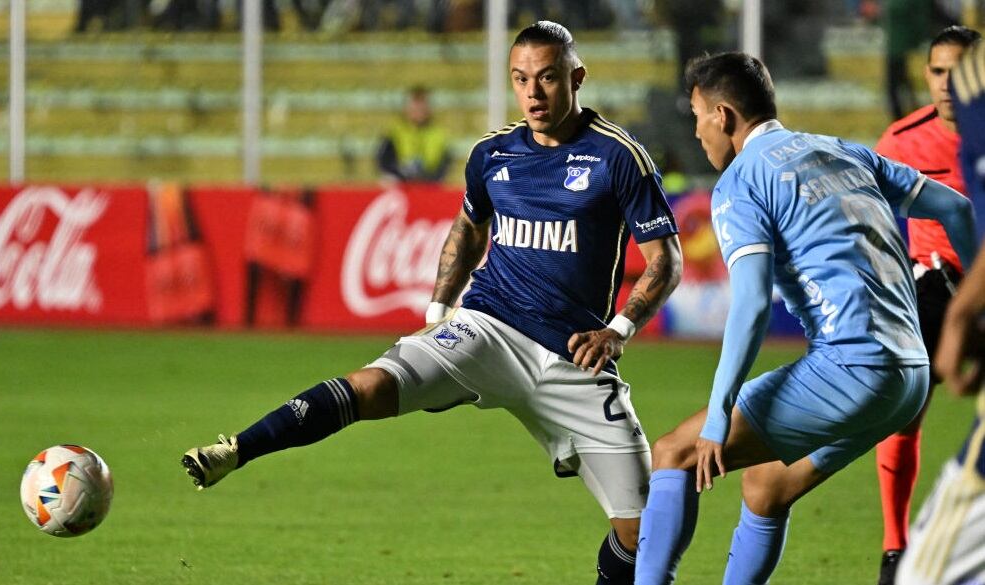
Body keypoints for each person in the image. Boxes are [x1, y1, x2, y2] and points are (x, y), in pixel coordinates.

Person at [183, 21, 683, 585]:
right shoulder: (492, 154)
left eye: (547, 78)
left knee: (645, 534)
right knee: (372, 384)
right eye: (521, 80)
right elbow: (467, 232)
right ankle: (238, 450)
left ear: (577, 77)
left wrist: (618, 328)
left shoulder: (618, 156)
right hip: (487, 326)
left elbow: (666, 260)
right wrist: (438, 314)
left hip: (574, 357)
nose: (534, 93)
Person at [633, 51, 977, 585]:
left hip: (850, 368)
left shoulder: (742, 181)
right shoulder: (841, 151)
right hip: (910, 374)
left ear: (723, 116)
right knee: (765, 488)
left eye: (698, 115)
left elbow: (749, 306)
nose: (698, 131)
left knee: (674, 452)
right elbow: (958, 209)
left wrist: (720, 415)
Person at [872, 24, 981, 585]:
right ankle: (895, 548)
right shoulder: (901, 141)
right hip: (935, 287)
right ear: (926, 74)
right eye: (936, 71)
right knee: (902, 404)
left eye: (955, 70)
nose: (944, 83)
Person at [375, 86, 453, 183]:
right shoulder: (394, 133)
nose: (419, 110)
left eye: (422, 106)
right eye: (415, 105)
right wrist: (401, 174)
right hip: (400, 183)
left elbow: (445, 164)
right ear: (406, 108)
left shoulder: (438, 135)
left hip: (430, 184)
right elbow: (384, 162)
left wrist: (429, 178)